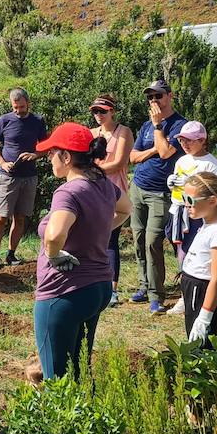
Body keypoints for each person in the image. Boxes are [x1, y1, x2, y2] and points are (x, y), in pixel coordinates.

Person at [31, 123, 128, 379]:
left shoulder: (69, 191)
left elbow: (54, 234)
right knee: (79, 368)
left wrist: (54, 254)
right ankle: (87, 416)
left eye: (52, 152)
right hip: (97, 287)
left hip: (64, 291)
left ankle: (61, 419)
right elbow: (125, 209)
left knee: (57, 377)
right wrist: (98, 230)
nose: (50, 158)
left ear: (66, 156)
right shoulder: (104, 184)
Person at [128, 80, 188, 312]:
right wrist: (151, 149)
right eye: (150, 97)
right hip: (138, 187)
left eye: (158, 96)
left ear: (170, 96)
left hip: (161, 193)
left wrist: (157, 128)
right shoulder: (145, 126)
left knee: (153, 242)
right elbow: (133, 157)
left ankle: (157, 296)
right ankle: (145, 285)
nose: (154, 101)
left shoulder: (179, 126)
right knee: (138, 238)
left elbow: (164, 153)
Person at [165, 121, 217, 315]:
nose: (184, 144)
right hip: (178, 210)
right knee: (181, 251)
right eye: (181, 140)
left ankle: (190, 295)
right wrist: (172, 183)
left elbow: (214, 191)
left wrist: (191, 185)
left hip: (197, 214)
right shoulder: (182, 161)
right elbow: (177, 184)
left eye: (189, 140)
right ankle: (184, 291)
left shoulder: (210, 164)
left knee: (193, 252)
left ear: (202, 140)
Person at [0, 88, 48, 270]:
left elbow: (45, 147)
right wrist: (2, 162)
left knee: (20, 218)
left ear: (28, 103)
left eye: (21, 107)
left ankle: (11, 253)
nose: (18, 110)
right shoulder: (4, 120)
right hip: (8, 176)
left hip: (29, 176)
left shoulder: (38, 121)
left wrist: (35, 155)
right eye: (15, 107)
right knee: (1, 216)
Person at [178, 171, 217, 345]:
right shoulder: (207, 225)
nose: (185, 205)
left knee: (202, 345)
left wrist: (205, 315)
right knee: (193, 339)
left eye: (190, 201)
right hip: (194, 288)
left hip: (204, 291)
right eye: (183, 198)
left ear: (212, 201)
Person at [88, 93, 133, 306]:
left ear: (112, 111)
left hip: (116, 192)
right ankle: (95, 282)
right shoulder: (91, 133)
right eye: (95, 111)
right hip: (94, 191)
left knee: (111, 239)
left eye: (102, 111)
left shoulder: (123, 132)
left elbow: (119, 163)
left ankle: (112, 290)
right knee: (95, 238)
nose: (98, 115)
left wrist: (91, 169)